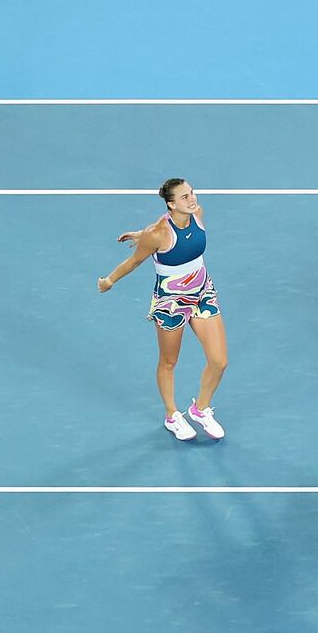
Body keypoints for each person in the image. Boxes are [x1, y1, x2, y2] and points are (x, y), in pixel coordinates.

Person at [97, 178, 228, 441]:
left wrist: (143, 233)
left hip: (203, 293)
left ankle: (200, 409)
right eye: (184, 197)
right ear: (171, 204)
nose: (192, 199)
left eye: (191, 193)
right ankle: (172, 415)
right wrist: (109, 281)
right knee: (169, 362)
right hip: (171, 302)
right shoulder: (157, 234)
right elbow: (134, 261)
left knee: (219, 361)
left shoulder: (197, 214)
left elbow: (168, 230)